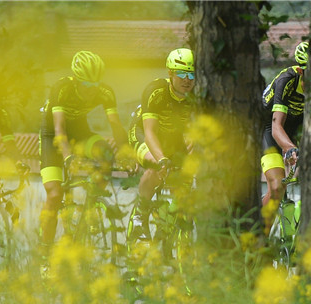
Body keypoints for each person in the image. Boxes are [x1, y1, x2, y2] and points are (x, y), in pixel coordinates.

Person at [38, 50, 130, 248]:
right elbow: (59, 129)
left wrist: (125, 151)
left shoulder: (105, 92)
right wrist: (68, 156)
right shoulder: (62, 88)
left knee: (106, 152)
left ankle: (92, 205)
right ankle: (44, 253)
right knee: (55, 195)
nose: (92, 90)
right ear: (77, 79)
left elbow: (115, 125)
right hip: (52, 134)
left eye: (95, 85)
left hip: (79, 132)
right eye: (87, 84)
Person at [127, 48, 196, 238]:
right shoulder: (156, 91)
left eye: (191, 74)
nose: (187, 80)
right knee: (156, 166)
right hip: (143, 132)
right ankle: (140, 214)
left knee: (183, 182)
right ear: (170, 73)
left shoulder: (196, 97)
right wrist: (162, 159)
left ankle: (169, 233)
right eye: (181, 74)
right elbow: (150, 133)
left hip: (172, 138)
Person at [260, 41, 307, 216]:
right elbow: (276, 126)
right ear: (301, 71)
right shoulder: (286, 80)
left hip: (294, 128)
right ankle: (260, 239)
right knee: (277, 188)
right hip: (268, 129)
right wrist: (290, 148)